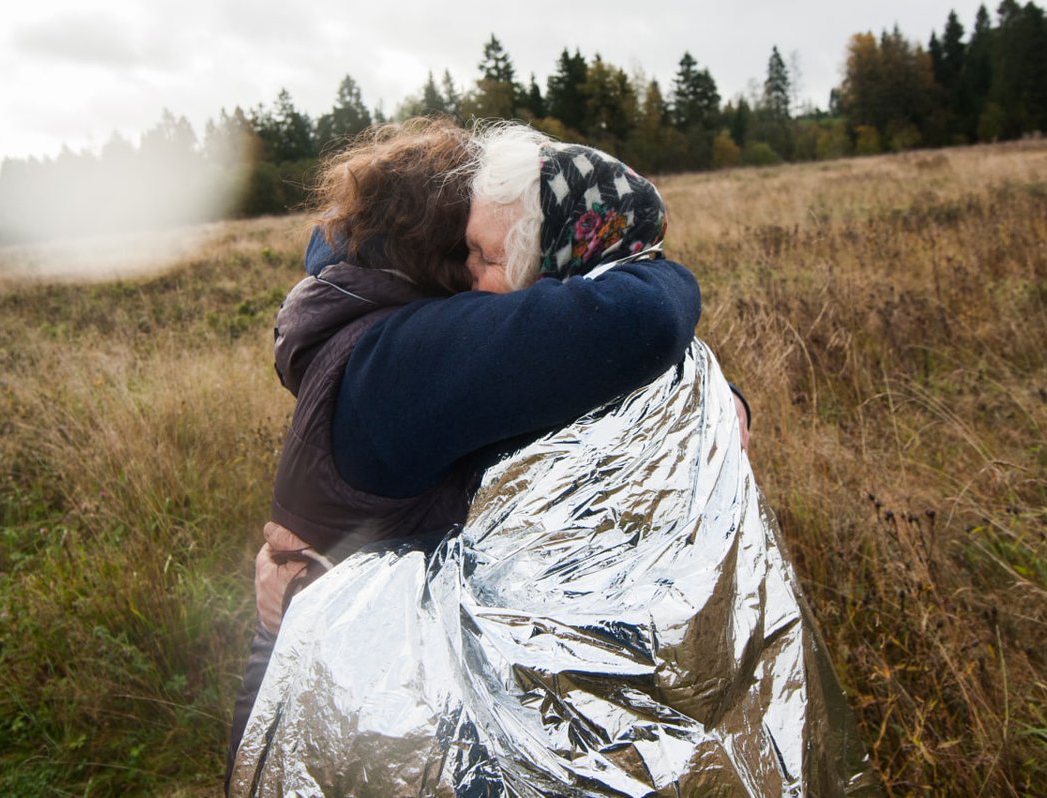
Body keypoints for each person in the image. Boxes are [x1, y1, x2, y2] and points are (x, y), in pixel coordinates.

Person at [226, 119, 707, 781]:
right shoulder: (410, 355)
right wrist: (656, 265)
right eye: (475, 251)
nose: (488, 278)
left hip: (356, 691)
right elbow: (639, 319)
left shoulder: (361, 312)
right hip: (332, 715)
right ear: (439, 256)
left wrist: (720, 390)